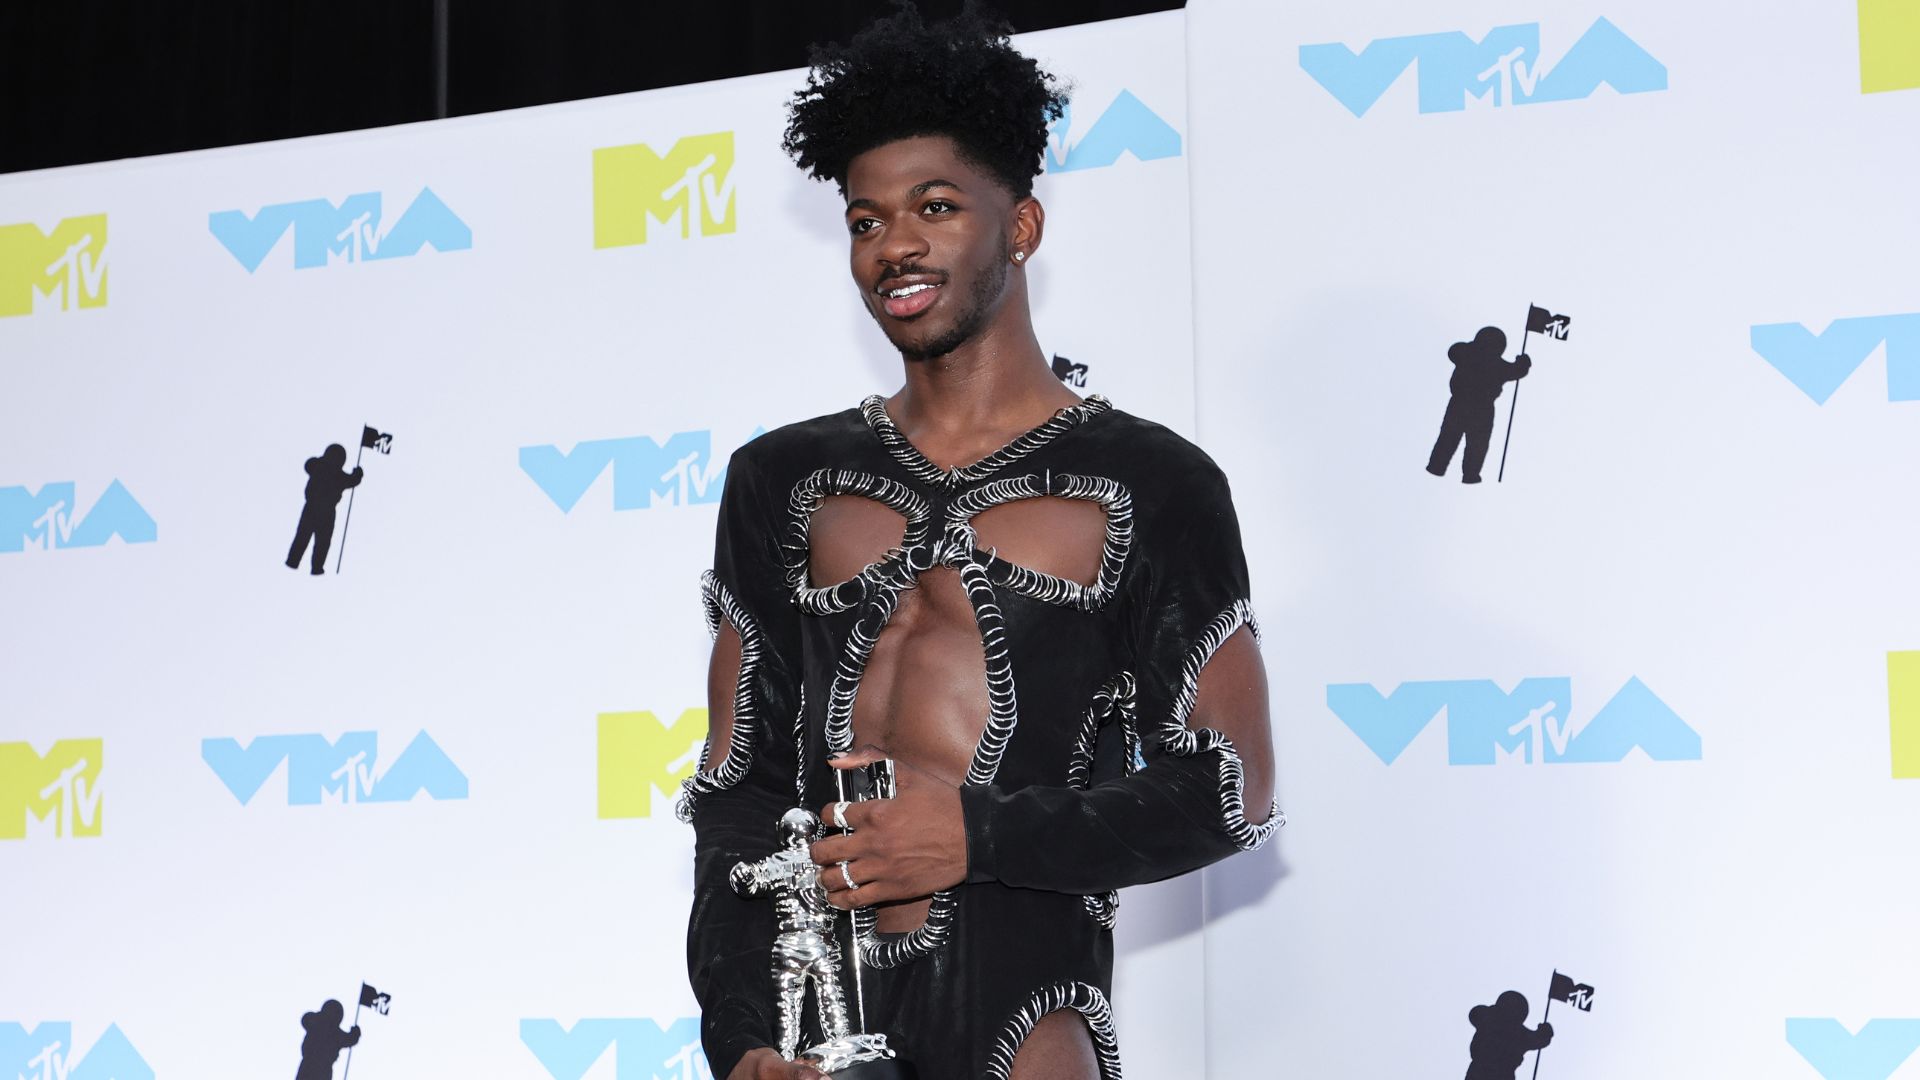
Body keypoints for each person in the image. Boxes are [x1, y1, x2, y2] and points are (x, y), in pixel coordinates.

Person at [678, 9, 1278, 1080]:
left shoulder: (1154, 483)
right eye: (866, 221)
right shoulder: (780, 482)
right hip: (818, 1028)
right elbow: (739, 791)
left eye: (936, 207)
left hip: (1025, 1022)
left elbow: (1229, 788)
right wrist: (744, 1035)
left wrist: (976, 835)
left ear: (1022, 227)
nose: (894, 246)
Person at [1425, 326, 1531, 484]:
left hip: (1464, 404)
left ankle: (1440, 467)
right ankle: (1468, 474)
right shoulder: (1494, 363)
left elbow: (1453, 351)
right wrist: (1523, 364)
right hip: (1479, 408)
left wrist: (1522, 365)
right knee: (1474, 444)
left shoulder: (1468, 353)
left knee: (1453, 438)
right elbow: (1515, 371)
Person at [286, 444, 363, 574]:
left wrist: (357, 475)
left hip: (321, 509)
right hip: (318, 508)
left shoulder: (323, 468)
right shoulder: (324, 468)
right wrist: (357, 475)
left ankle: (305, 564)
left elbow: (352, 480)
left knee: (317, 540)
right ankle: (305, 564)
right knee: (311, 538)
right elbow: (352, 480)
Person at [1464, 991, 1552, 1079]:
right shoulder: (1491, 1017)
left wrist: (1545, 1032)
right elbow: (1539, 1039)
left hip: (1495, 1071)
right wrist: (1545, 1032)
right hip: (1485, 1069)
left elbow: (1539, 1039)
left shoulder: (1517, 1031)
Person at [295, 999, 360, 1080]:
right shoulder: (325, 1026)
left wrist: (355, 1034)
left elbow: (305, 1019)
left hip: (316, 1067)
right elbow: (350, 1039)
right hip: (317, 1067)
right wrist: (355, 1034)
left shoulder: (318, 1022)